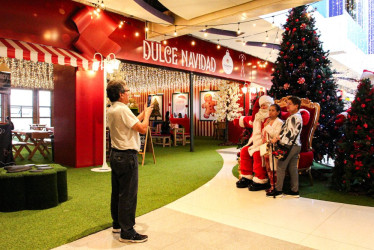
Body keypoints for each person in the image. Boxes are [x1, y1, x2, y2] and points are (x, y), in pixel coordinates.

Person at [106, 79, 153, 243]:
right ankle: (127, 232)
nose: (129, 93)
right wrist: (147, 116)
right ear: (120, 94)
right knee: (128, 194)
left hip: (116, 155)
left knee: (117, 192)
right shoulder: (123, 109)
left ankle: (117, 224)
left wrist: (142, 114)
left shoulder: (112, 109)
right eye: (127, 91)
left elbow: (130, 123)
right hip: (127, 157)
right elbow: (142, 128)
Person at [236, 95, 274, 191]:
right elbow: (249, 120)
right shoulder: (257, 117)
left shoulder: (272, 117)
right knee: (244, 150)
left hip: (267, 143)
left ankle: (261, 179)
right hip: (255, 142)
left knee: (258, 154)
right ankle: (246, 176)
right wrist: (238, 120)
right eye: (261, 105)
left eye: (265, 105)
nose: (263, 107)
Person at [266, 96, 303, 198]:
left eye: (290, 104)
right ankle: (295, 191)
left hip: (289, 146)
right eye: (287, 103)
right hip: (296, 145)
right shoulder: (298, 116)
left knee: (281, 167)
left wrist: (277, 139)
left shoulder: (293, 117)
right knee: (293, 168)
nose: (287, 106)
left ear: (296, 106)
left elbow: (288, 134)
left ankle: (278, 191)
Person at [261, 104, 283, 192]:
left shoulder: (280, 122)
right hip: (266, 147)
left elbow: (276, 135)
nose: (270, 112)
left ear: (278, 112)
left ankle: (276, 187)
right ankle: (271, 185)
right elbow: (263, 134)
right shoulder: (267, 121)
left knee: (274, 168)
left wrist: (267, 126)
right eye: (269, 110)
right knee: (268, 168)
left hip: (274, 147)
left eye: (273, 110)